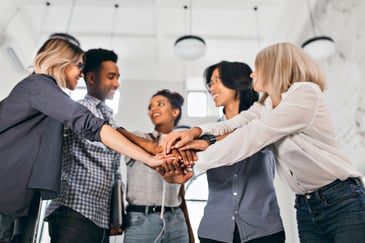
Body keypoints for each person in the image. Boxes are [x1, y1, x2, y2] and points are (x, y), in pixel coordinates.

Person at [160, 42, 365, 243]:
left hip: (341, 198)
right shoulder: (266, 105)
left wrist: (193, 160)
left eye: (257, 68)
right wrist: (196, 131)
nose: (252, 74)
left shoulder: (305, 93)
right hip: (306, 205)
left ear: (275, 67)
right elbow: (236, 124)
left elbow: (252, 135)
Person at [0, 34, 163, 242]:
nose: (81, 72)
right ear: (61, 62)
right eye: (79, 65)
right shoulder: (38, 85)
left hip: (18, 199)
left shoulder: (47, 97)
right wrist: (149, 158)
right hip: (16, 195)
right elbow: (90, 125)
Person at [196, 61, 284, 243]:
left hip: (263, 229)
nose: (212, 87)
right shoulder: (206, 133)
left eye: (217, 81)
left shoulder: (265, 121)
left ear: (236, 81)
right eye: (210, 83)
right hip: (215, 230)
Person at [44, 48, 123, 243]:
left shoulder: (109, 117)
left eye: (118, 77)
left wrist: (115, 213)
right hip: (74, 211)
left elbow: (114, 170)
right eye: (111, 77)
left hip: (101, 218)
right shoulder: (75, 111)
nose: (116, 83)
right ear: (91, 78)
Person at [119, 89, 193, 243]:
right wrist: (155, 147)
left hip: (176, 220)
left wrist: (189, 231)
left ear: (175, 111)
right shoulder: (138, 138)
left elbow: (181, 195)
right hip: (141, 221)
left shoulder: (184, 145)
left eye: (160, 104)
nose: (153, 109)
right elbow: (119, 133)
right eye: (150, 107)